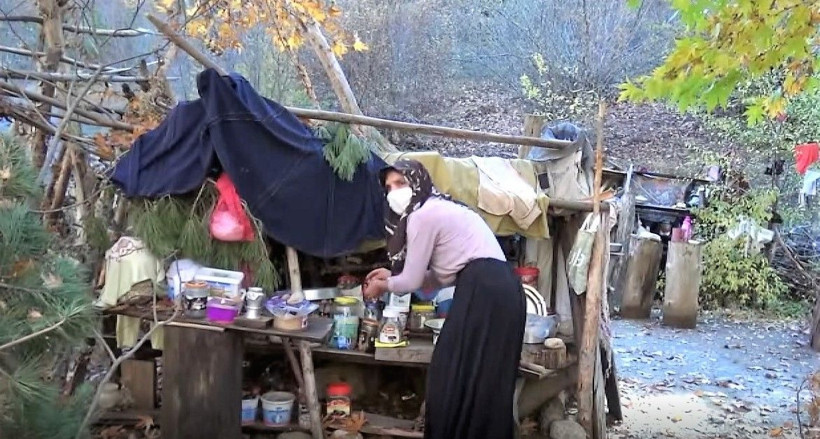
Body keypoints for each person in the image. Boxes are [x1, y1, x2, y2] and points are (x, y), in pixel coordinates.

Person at [364, 159, 526, 439]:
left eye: (400, 183)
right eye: (388, 187)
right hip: (499, 288)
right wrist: (390, 275)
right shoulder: (440, 208)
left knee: (452, 371)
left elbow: (412, 282)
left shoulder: (424, 215)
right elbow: (436, 278)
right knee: (483, 376)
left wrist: (384, 286)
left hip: (486, 289)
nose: (393, 192)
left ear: (417, 182)